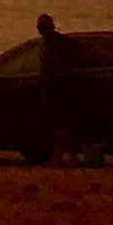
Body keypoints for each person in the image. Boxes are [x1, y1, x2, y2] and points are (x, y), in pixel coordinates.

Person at [36, 13, 89, 163]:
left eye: (43, 26)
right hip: (50, 87)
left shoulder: (61, 42)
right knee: (58, 124)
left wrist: (67, 70)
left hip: (61, 87)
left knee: (63, 124)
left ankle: (67, 155)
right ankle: (62, 155)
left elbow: (81, 51)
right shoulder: (44, 44)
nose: (41, 30)